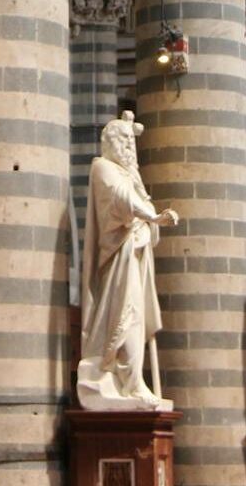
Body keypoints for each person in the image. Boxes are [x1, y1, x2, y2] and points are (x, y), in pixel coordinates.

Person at [77, 111, 178, 410]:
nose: (129, 149)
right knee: (127, 314)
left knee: (136, 317)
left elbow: (141, 198)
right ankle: (129, 381)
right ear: (112, 142)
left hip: (135, 254)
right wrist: (153, 216)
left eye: (131, 144)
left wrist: (149, 217)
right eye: (125, 142)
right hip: (118, 258)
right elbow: (122, 199)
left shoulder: (129, 174)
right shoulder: (103, 168)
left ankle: (134, 382)